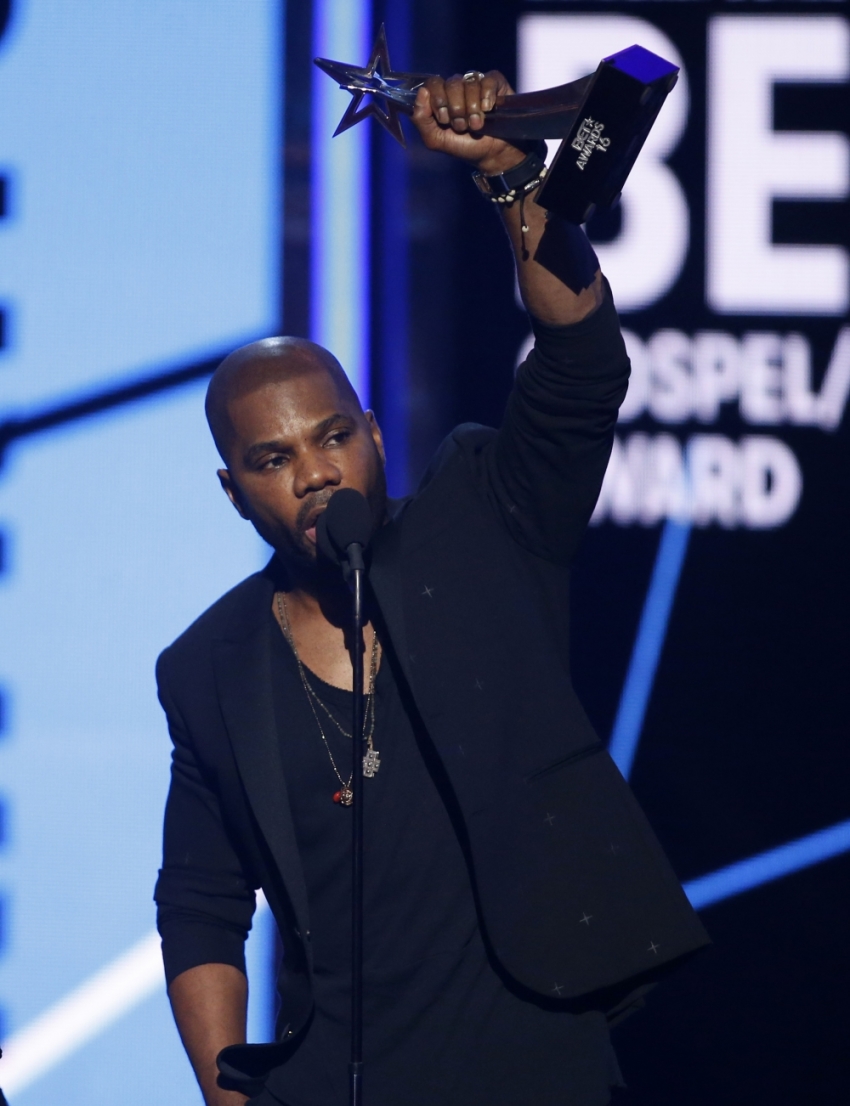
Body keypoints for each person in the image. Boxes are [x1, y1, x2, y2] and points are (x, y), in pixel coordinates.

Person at [155, 71, 709, 1106]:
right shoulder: (207, 668)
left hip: (535, 1063)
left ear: (372, 435)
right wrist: (228, 1097)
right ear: (235, 491)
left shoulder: (480, 521)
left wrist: (508, 178)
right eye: (273, 458)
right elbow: (200, 900)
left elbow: (581, 365)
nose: (315, 473)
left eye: (332, 436)